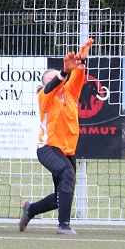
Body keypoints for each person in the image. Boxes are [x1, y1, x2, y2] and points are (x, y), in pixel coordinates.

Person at [19, 38, 94, 235]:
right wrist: (63, 72)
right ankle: (63, 225)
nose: (62, 80)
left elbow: (77, 77)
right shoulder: (44, 96)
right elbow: (53, 85)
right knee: (68, 175)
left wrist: (81, 61)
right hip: (48, 148)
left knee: (63, 193)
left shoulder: (70, 93)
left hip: (67, 150)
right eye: (54, 78)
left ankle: (30, 209)